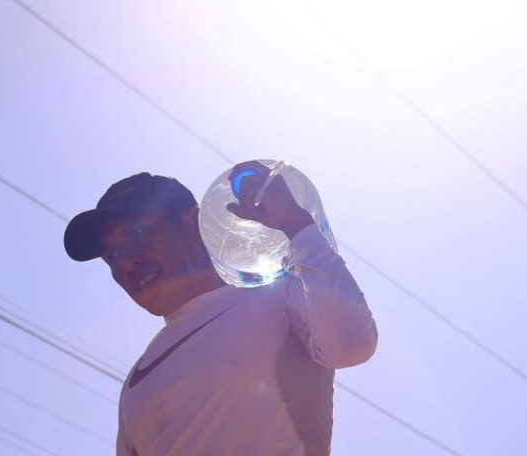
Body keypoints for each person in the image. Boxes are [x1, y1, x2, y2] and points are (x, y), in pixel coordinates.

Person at [64, 162, 378, 456]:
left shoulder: (280, 296)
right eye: (113, 254)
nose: (126, 263)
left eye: (138, 234)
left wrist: (295, 223)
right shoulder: (135, 382)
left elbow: (352, 343)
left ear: (194, 223)